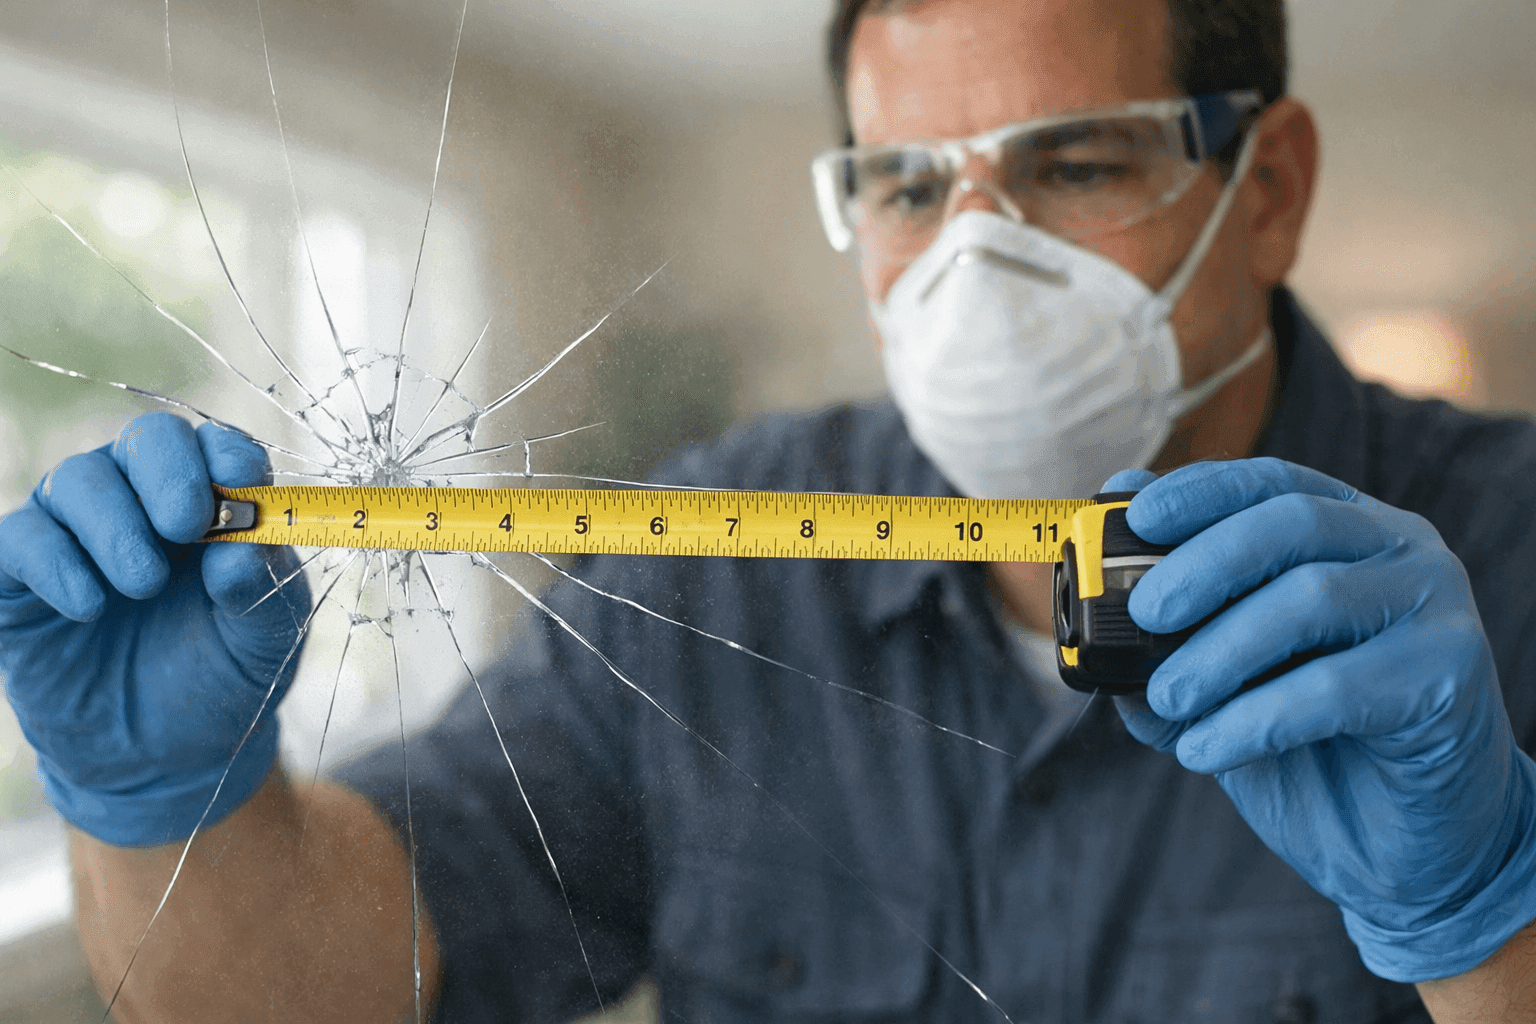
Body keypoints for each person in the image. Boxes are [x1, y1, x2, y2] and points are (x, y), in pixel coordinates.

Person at [4, 0, 1536, 1020]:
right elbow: (338, 985)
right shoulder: (709, 569)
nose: (972, 265)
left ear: (1265, 189)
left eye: (1075, 163)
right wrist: (165, 814)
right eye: (908, 188)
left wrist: (1487, 919)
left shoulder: (1509, 549)